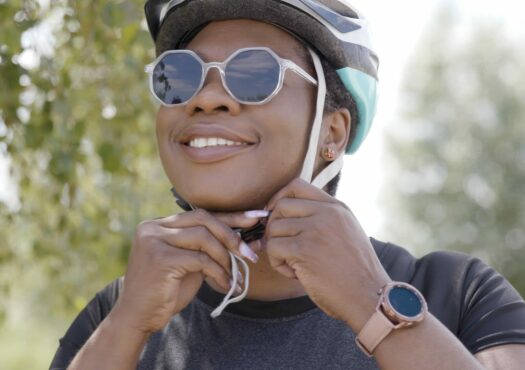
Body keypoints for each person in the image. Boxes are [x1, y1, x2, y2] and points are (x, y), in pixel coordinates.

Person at [50, 1, 525, 369]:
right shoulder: (117, 311)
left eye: (254, 74)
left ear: (332, 134)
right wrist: (127, 327)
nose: (207, 98)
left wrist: (371, 303)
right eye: (180, 77)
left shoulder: (458, 293)